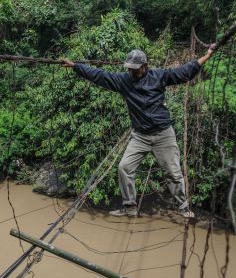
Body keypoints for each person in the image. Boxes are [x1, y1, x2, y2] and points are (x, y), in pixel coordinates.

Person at [61, 45, 216, 218]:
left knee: (173, 172)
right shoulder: (124, 81)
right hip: (140, 136)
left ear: (145, 66)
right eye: (130, 69)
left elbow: (184, 72)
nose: (133, 73)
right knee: (124, 167)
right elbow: (100, 76)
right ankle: (130, 207)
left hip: (163, 134)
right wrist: (75, 66)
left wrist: (207, 55)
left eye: (136, 69)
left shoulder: (160, 76)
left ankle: (183, 206)